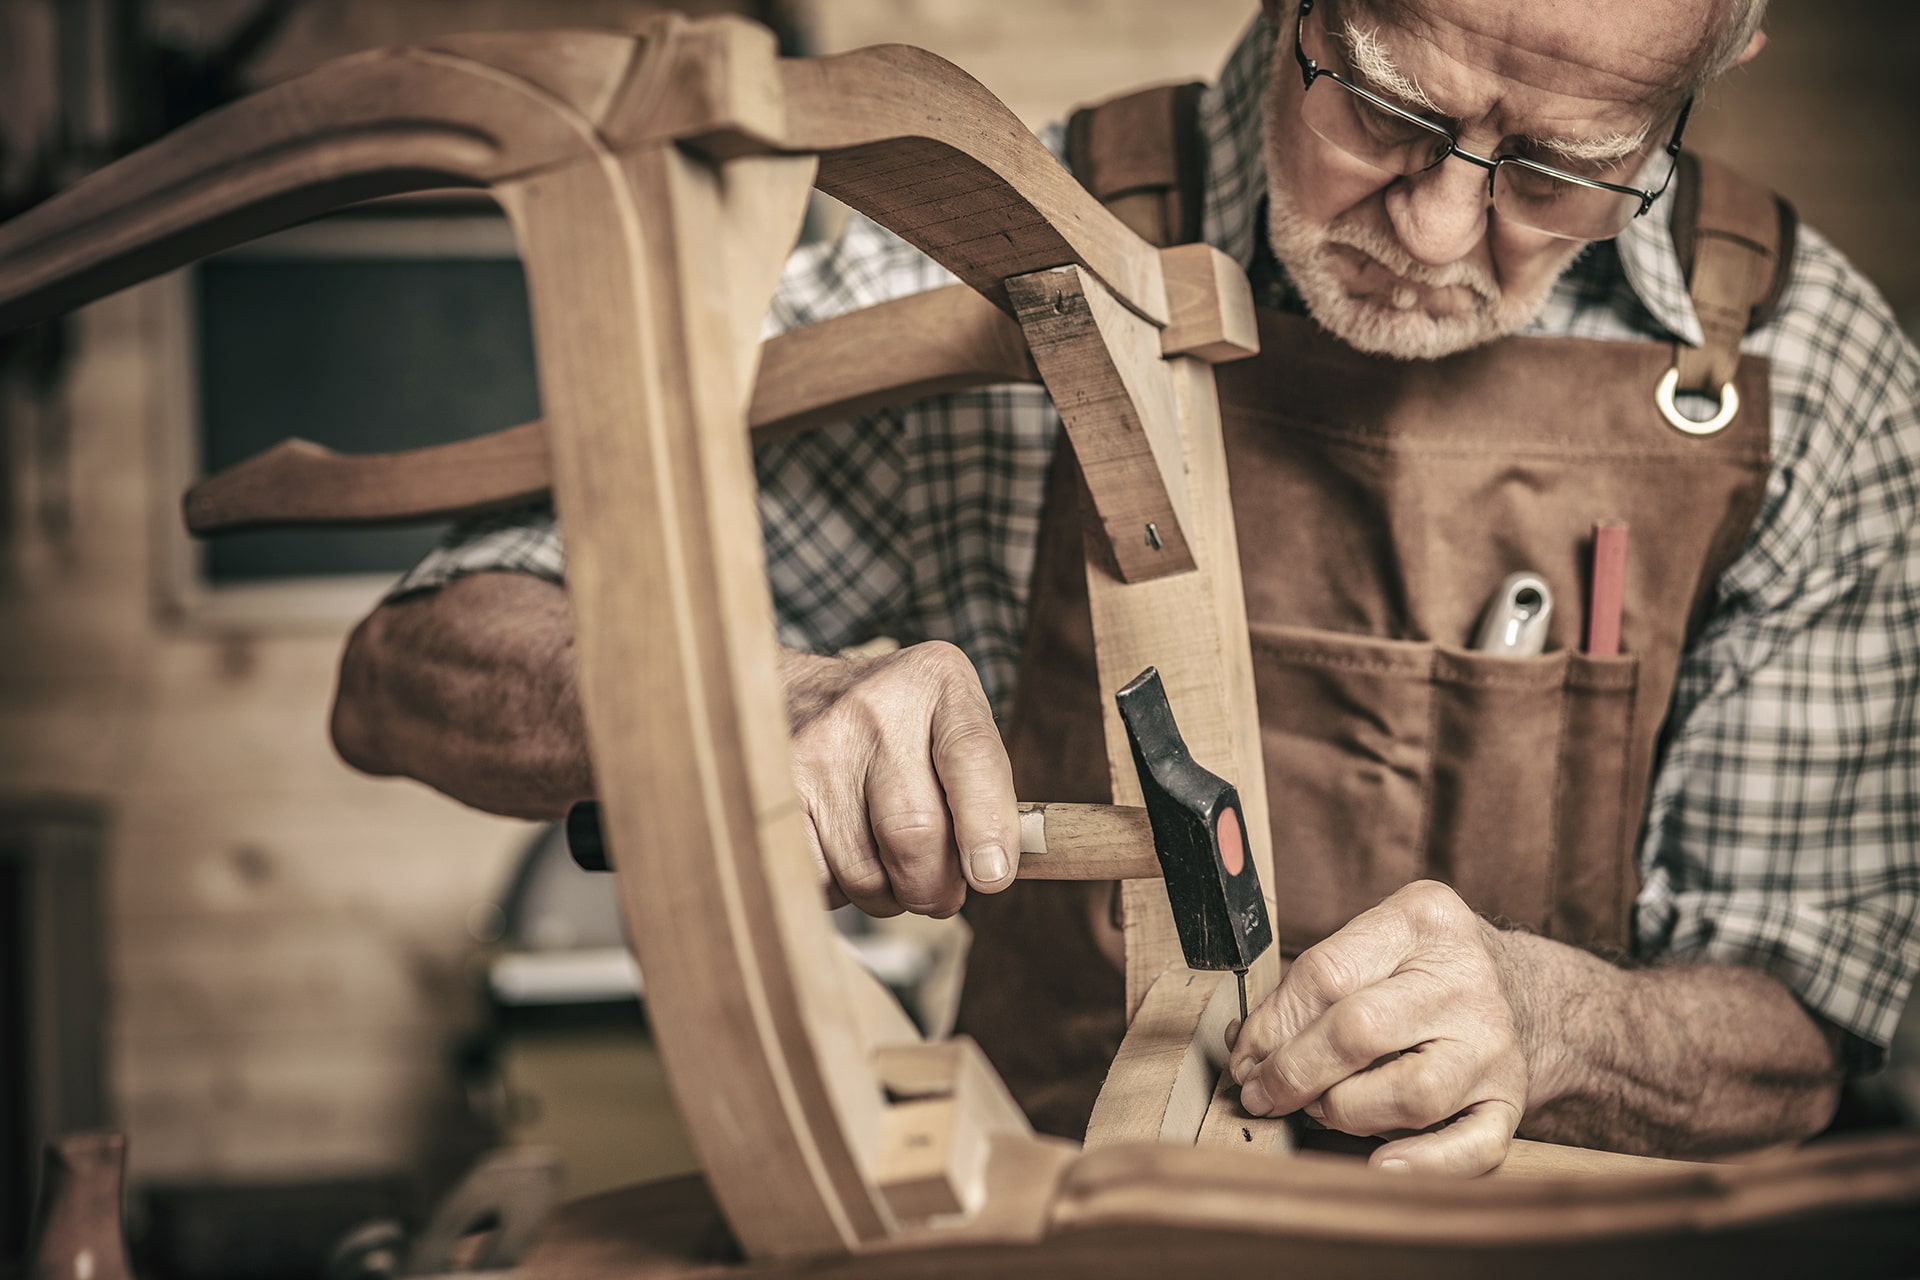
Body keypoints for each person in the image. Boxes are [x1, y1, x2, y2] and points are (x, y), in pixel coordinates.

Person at [330, 0, 1920, 1175]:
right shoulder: (984, 252)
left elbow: (1813, 1016)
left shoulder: (1810, 374)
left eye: (1559, 175)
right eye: (1388, 111)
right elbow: (414, 655)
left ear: (1706, 79)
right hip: (1077, 1229)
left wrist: (1559, 1021)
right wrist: (745, 706)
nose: (1441, 226)